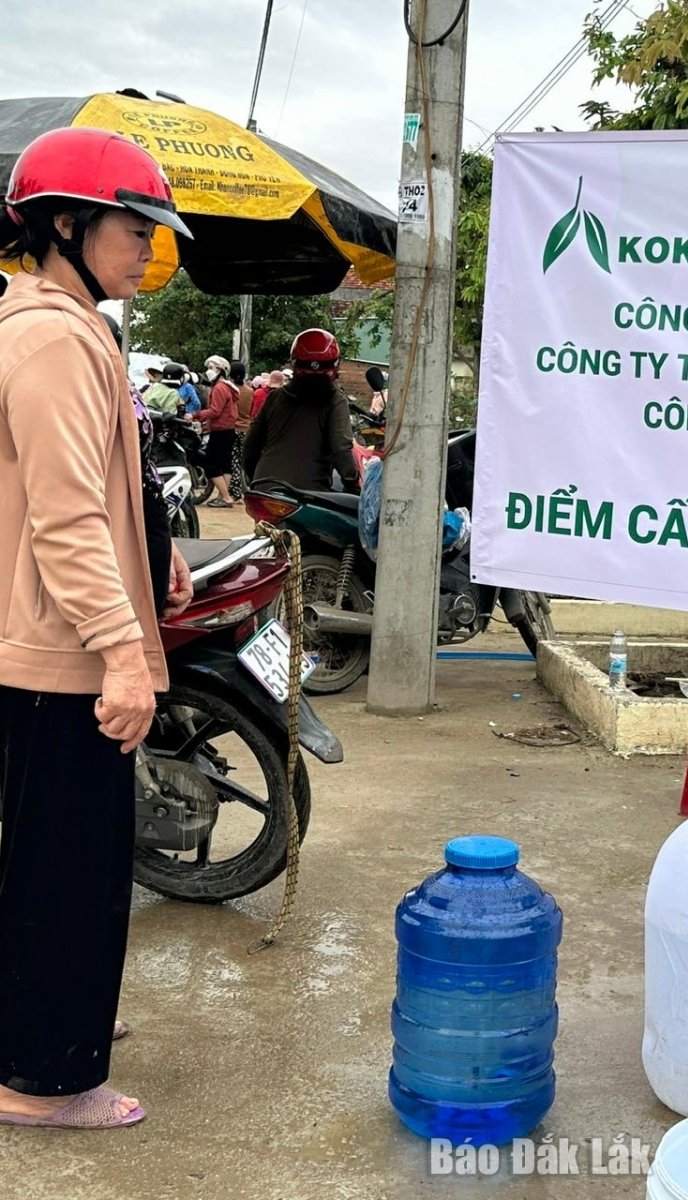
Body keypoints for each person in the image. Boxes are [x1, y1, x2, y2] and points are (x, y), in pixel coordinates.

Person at [0, 125, 194, 1129]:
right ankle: (44, 1081)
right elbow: (66, 516)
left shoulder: (68, 328)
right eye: (136, 229)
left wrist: (153, 551)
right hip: (60, 655)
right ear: (68, 227)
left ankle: (44, 1018)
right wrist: (122, 653)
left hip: (48, 643)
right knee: (66, 869)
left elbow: (99, 489)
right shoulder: (52, 339)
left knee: (43, 861)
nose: (149, 250)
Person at [243, 329, 360, 492]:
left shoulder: (275, 397)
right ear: (335, 366)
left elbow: (251, 445)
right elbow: (341, 450)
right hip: (308, 493)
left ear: (294, 363)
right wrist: (354, 485)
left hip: (265, 487)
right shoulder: (335, 401)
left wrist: (256, 478)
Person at [201, 352, 238, 507]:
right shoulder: (228, 387)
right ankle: (222, 497)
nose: (209, 371)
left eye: (212, 368)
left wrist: (196, 416)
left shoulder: (219, 388)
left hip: (220, 431)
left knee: (211, 465)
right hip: (228, 430)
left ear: (221, 370)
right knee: (225, 465)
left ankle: (226, 497)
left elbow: (215, 411)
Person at [229, 360, 254, 499]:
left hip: (233, 428)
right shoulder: (250, 391)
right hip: (246, 428)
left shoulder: (230, 391)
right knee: (243, 460)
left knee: (233, 461)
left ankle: (235, 490)